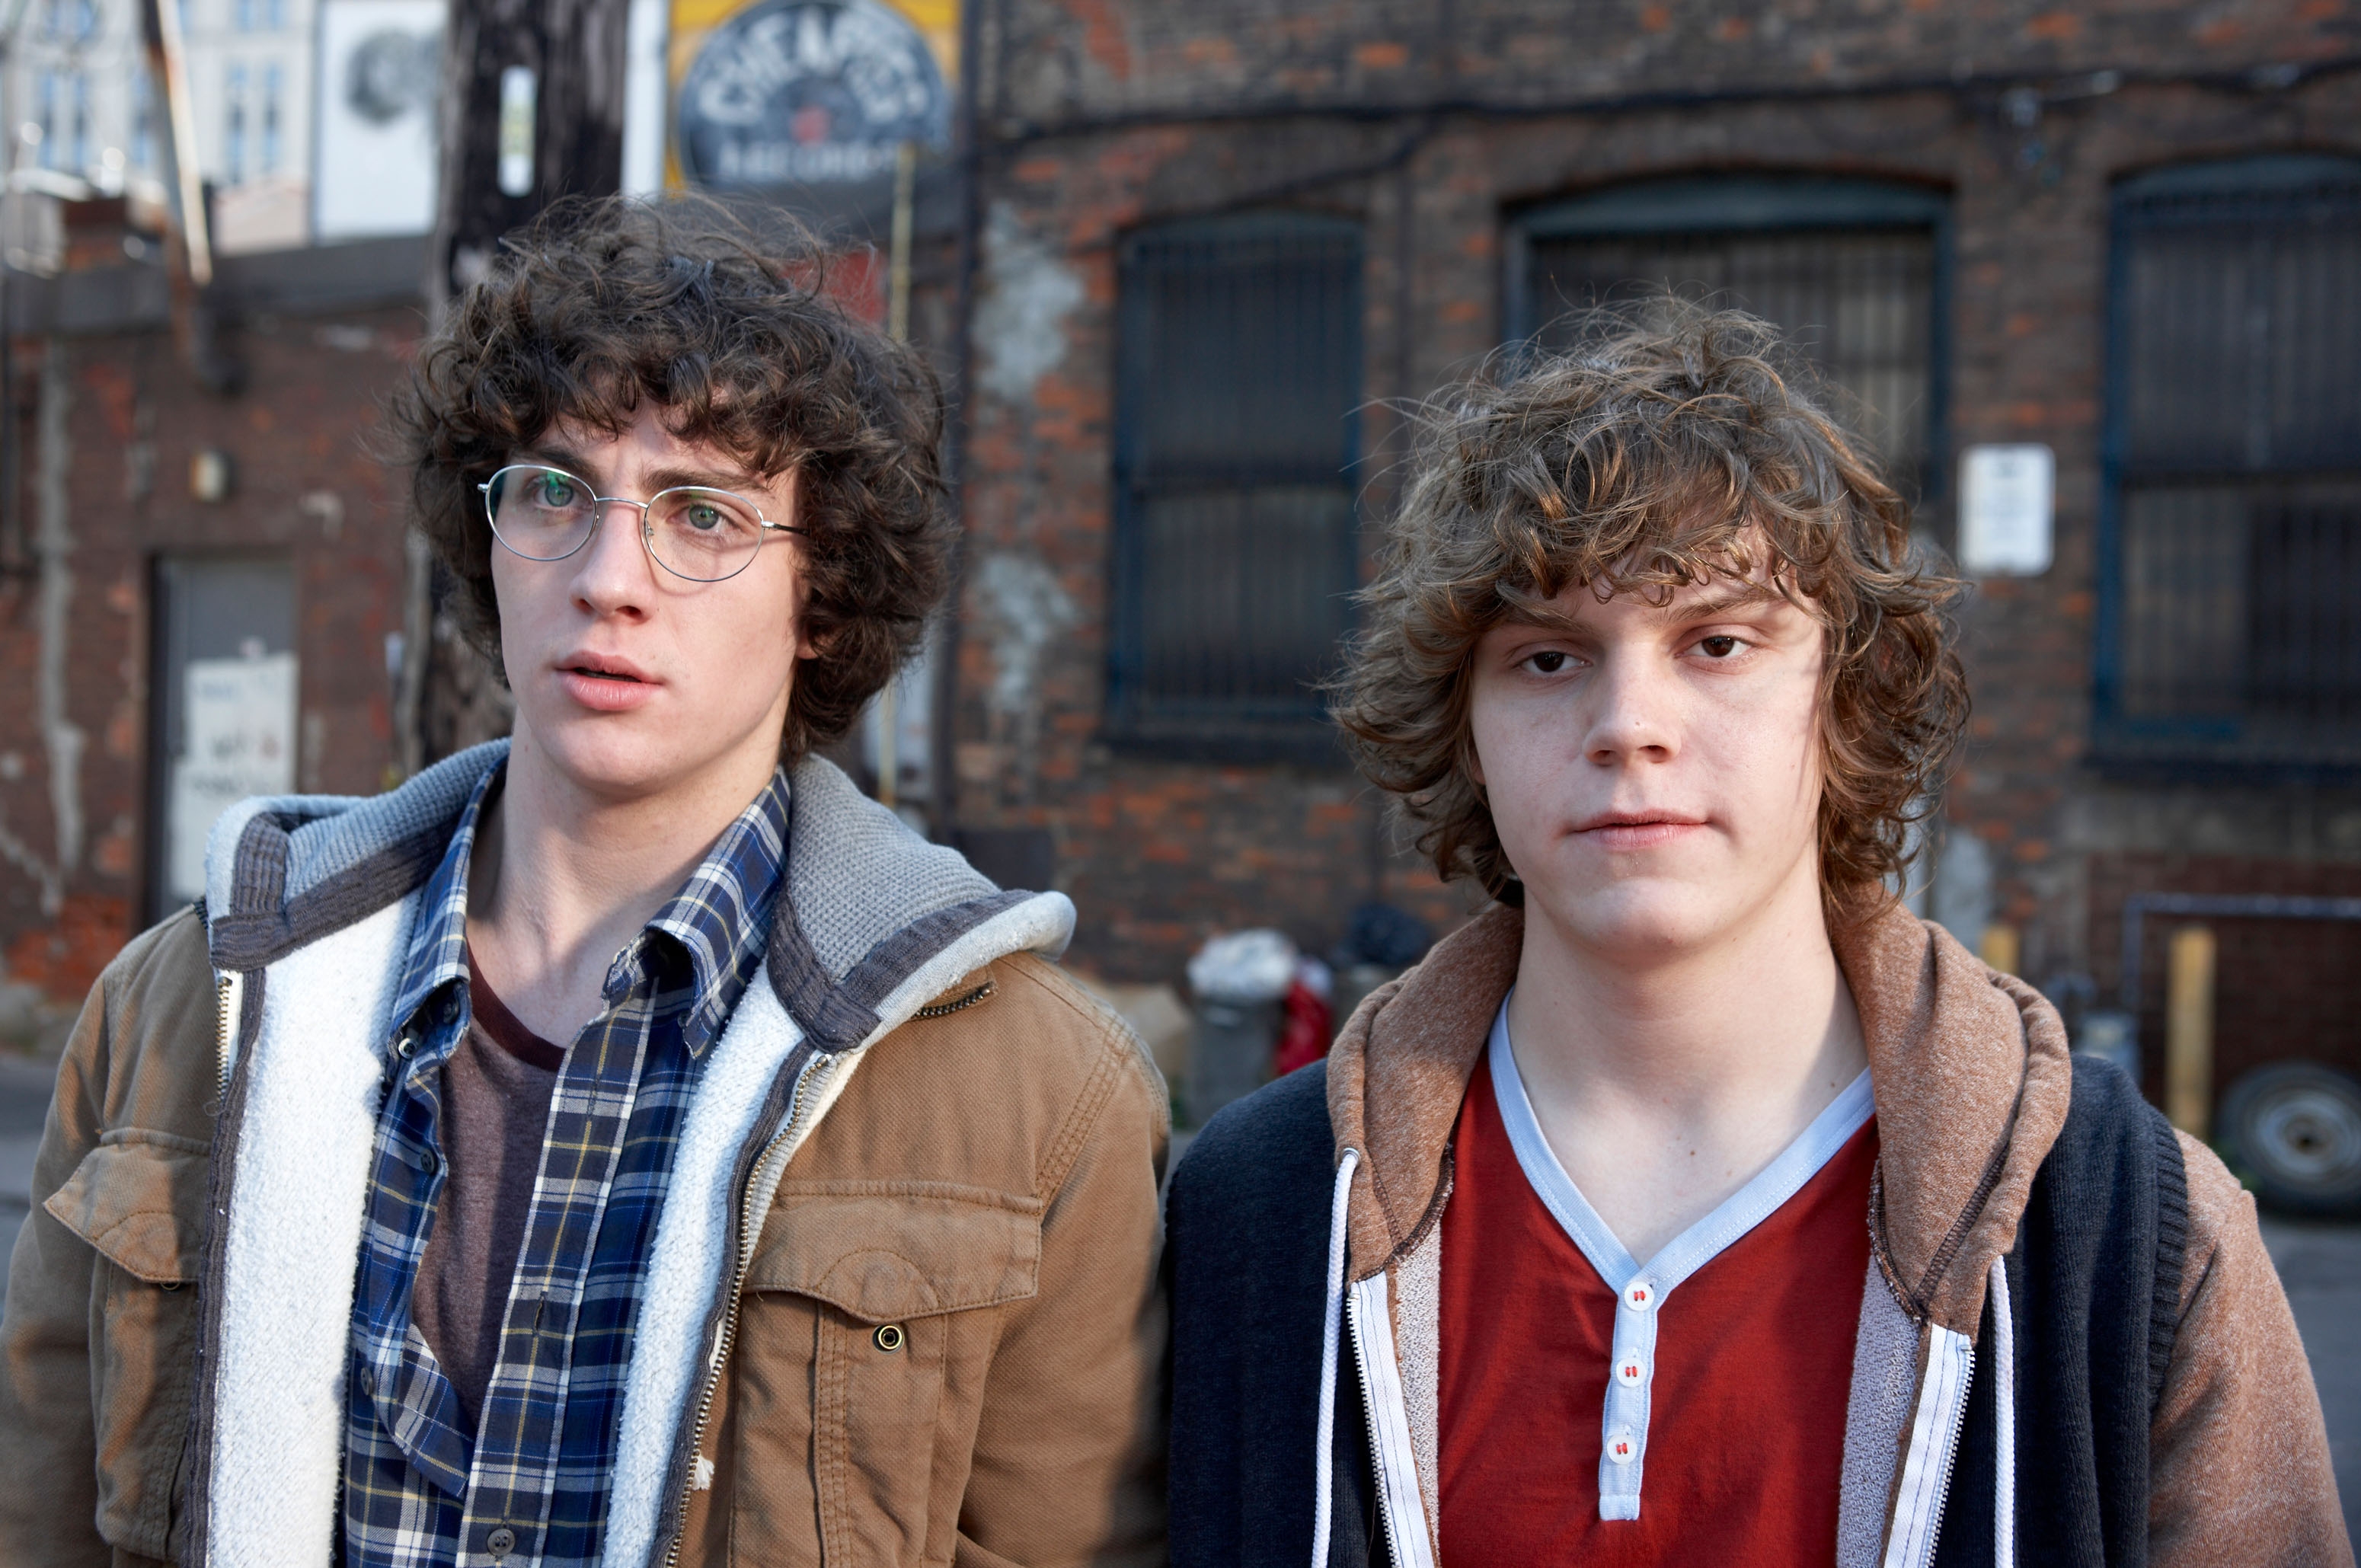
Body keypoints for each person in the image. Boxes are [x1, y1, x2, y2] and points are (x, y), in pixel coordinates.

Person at [0, 197, 1169, 1568]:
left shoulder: (1043, 1098)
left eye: (703, 514)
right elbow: (39, 1508)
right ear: (488, 544)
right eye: (557, 491)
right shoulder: (183, 1008)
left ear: (824, 603)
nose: (612, 577)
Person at [1165, 303, 2351, 1567]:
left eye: (1717, 642)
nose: (1631, 724)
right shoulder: (1263, 1211)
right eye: (1549, 659)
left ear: (1842, 706)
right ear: (1465, 725)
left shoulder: (2124, 1232)